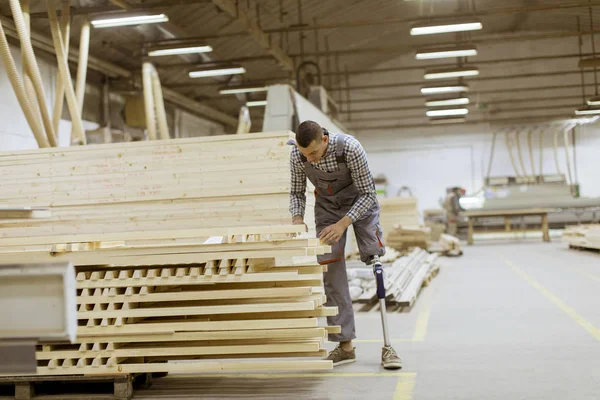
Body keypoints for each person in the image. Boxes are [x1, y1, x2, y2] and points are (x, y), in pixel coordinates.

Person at [289, 120, 402, 369]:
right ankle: (345, 346)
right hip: (328, 207)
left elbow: (368, 194)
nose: (311, 161)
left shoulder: (350, 148)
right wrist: (297, 218)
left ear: (325, 140)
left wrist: (343, 225)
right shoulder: (298, 155)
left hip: (360, 204)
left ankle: (388, 346)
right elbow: (297, 192)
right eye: (305, 155)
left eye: (314, 154)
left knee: (376, 262)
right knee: (331, 272)